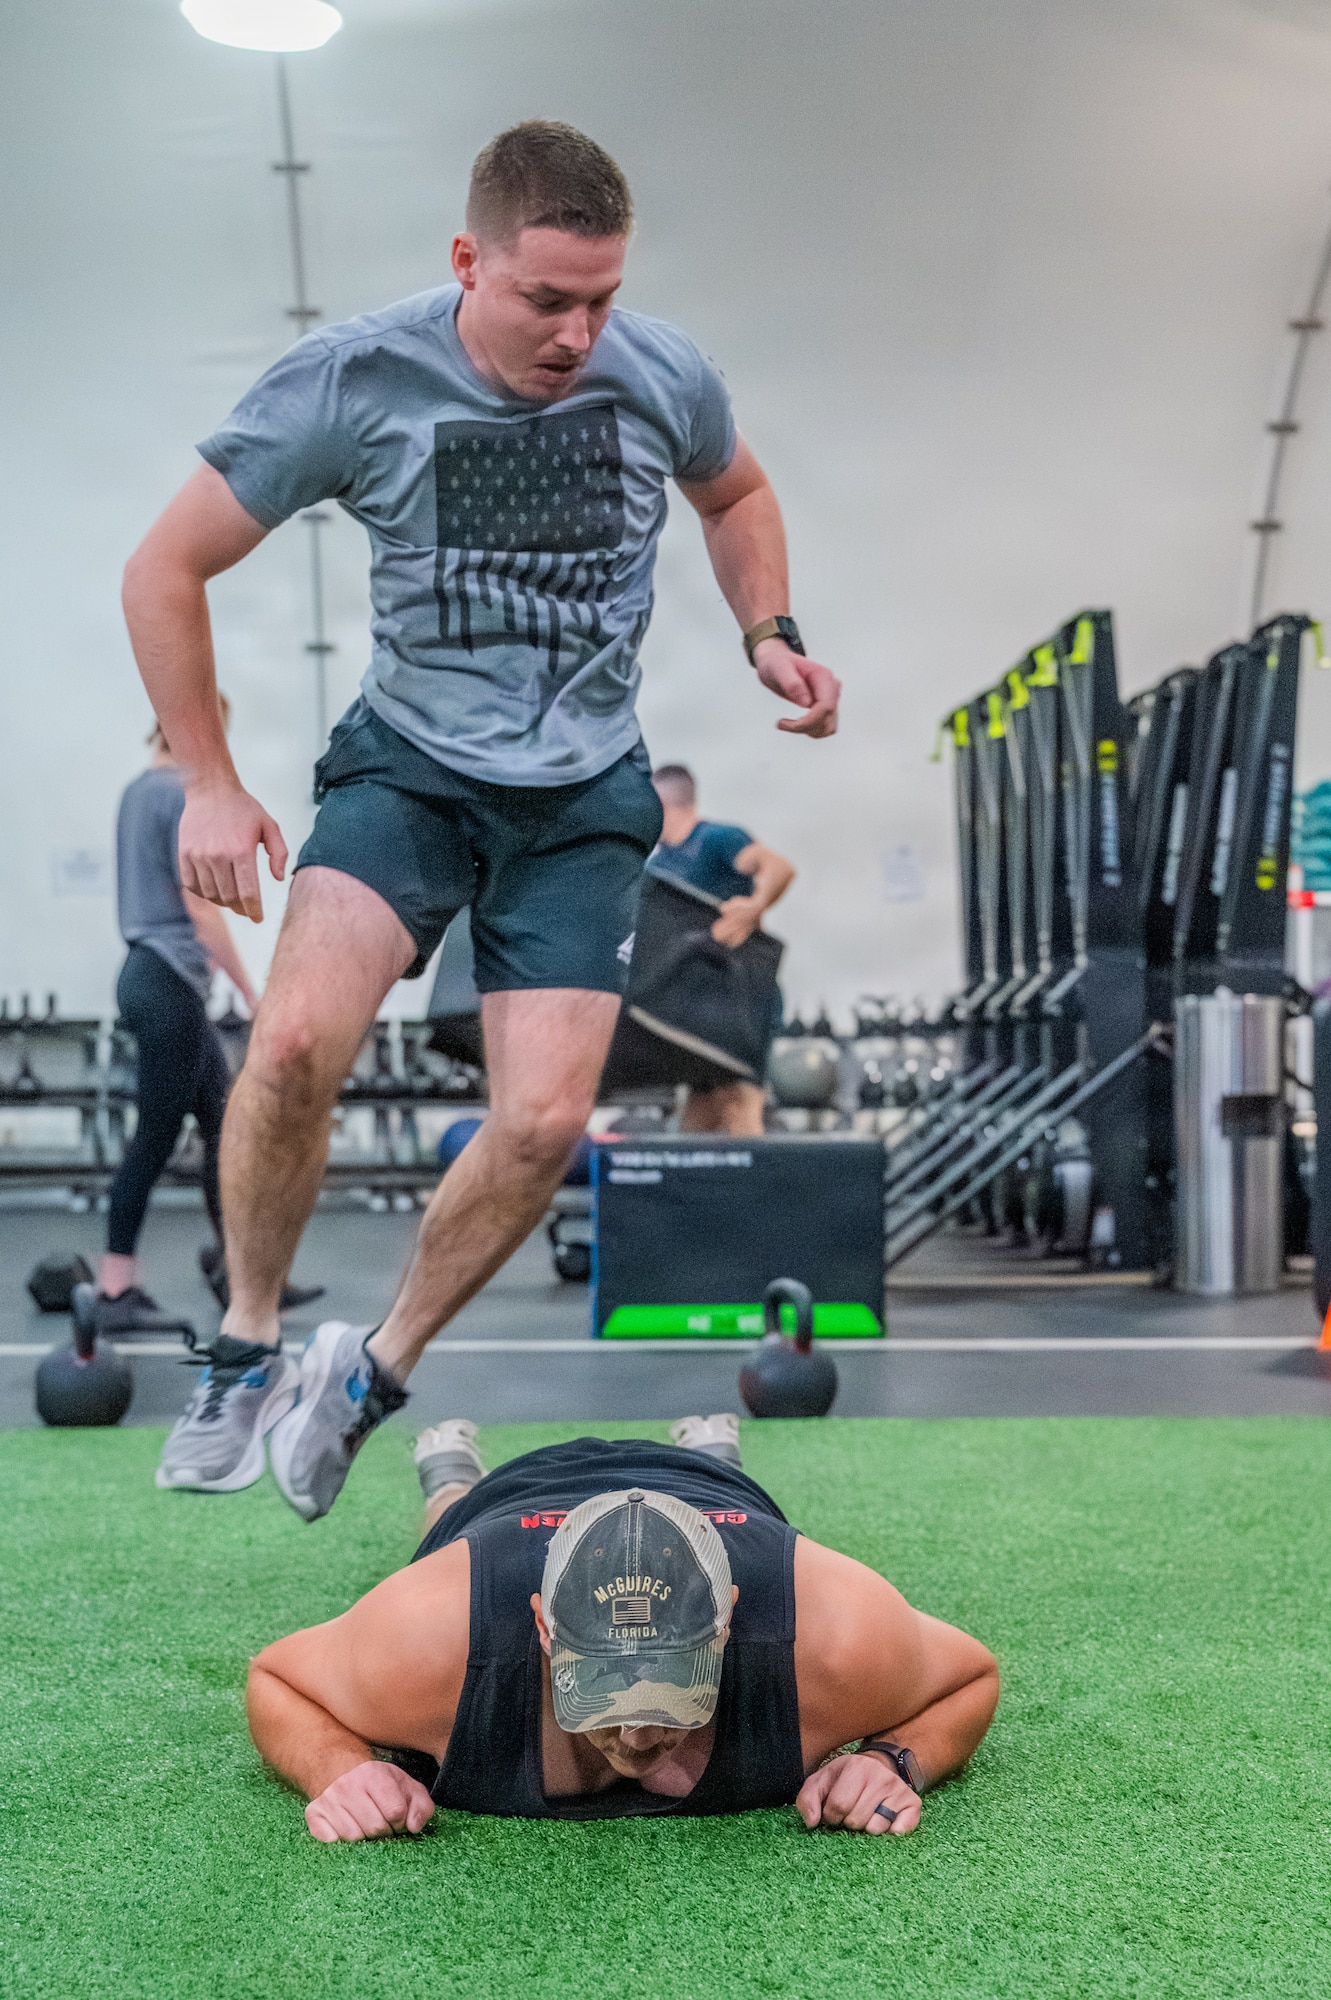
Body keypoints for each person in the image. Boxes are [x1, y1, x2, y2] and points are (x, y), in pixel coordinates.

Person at [124, 120, 840, 1510]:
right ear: (469, 261)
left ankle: (370, 1372)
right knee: (286, 1050)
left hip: (580, 796)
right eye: (545, 299)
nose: (577, 334)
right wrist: (210, 778)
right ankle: (246, 1341)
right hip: (410, 769)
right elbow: (165, 567)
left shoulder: (659, 373)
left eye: (601, 300)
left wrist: (771, 629)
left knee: (538, 1126)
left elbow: (733, 486)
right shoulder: (353, 379)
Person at [246, 1417, 999, 1841]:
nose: (639, 1739)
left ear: (726, 1621)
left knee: (729, 1490)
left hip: (712, 1501)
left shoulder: (832, 1638)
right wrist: (338, 1769)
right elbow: (274, 1676)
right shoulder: (428, 1640)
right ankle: (450, 1472)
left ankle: (711, 1456)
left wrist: (894, 1758)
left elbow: (972, 1674)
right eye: (604, 1692)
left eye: (671, 1690)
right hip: (513, 1509)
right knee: (452, 1519)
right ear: (543, 1630)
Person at [90, 701, 259, 1339]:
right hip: (168, 981)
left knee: (222, 1122)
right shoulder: (183, 797)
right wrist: (250, 990)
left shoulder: (137, 791)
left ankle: (240, 1274)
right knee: (156, 1138)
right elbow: (203, 908)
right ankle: (114, 1287)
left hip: (149, 975)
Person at [649, 762, 794, 1135]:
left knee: (738, 1105)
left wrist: (756, 905)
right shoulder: (660, 864)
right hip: (699, 1005)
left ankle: (755, 1193)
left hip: (742, 998)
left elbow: (778, 867)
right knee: (696, 1118)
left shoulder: (717, 839)